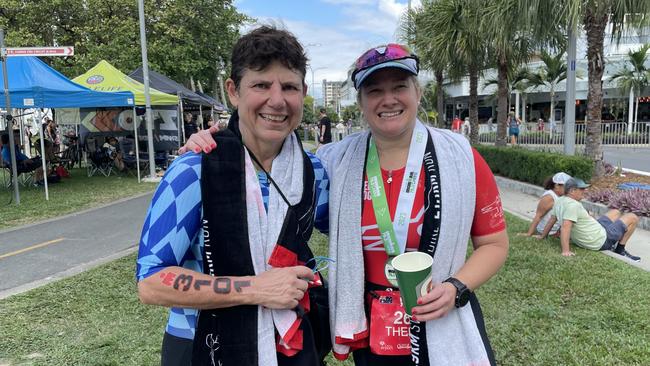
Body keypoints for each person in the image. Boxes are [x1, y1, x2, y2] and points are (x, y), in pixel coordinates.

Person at [180, 42, 509, 366]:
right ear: (362, 101)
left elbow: (493, 244)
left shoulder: (460, 157)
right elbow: (275, 159)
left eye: (399, 87)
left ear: (417, 92)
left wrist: (456, 287)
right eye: (375, 91)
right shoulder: (333, 162)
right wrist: (219, 140)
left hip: (444, 316)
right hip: (372, 327)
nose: (388, 99)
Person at [136, 26, 331, 366]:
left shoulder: (313, 171)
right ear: (233, 92)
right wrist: (257, 289)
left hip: (289, 342)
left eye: (289, 87)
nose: (277, 100)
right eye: (260, 85)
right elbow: (152, 282)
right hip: (203, 344)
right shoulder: (195, 168)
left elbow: (357, 234)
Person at [539, 178, 641, 261]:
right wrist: (565, 251)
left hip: (596, 231)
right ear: (572, 191)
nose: (585, 191)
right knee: (633, 217)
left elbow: (552, 220)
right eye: (582, 189)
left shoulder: (560, 200)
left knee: (616, 212)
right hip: (600, 240)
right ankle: (620, 249)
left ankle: (616, 241)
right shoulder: (572, 206)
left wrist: (542, 236)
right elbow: (566, 227)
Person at [519, 172, 571, 237]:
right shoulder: (549, 196)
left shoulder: (561, 196)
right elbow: (538, 215)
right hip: (546, 232)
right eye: (566, 187)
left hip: (555, 232)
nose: (568, 189)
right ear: (557, 186)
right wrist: (529, 234)